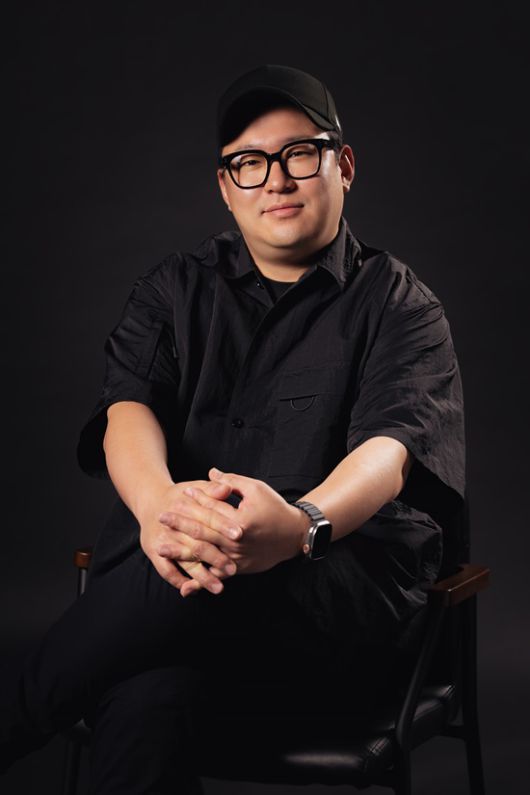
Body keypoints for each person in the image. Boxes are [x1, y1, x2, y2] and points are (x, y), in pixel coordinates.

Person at [1, 64, 465, 793]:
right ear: (226, 186)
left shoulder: (401, 306)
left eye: (299, 154)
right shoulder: (173, 289)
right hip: (178, 610)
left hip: (331, 613)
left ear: (343, 166)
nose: (275, 180)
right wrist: (159, 506)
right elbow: (128, 409)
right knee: (148, 698)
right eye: (249, 162)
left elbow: (390, 450)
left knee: (211, 564)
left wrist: (302, 525)